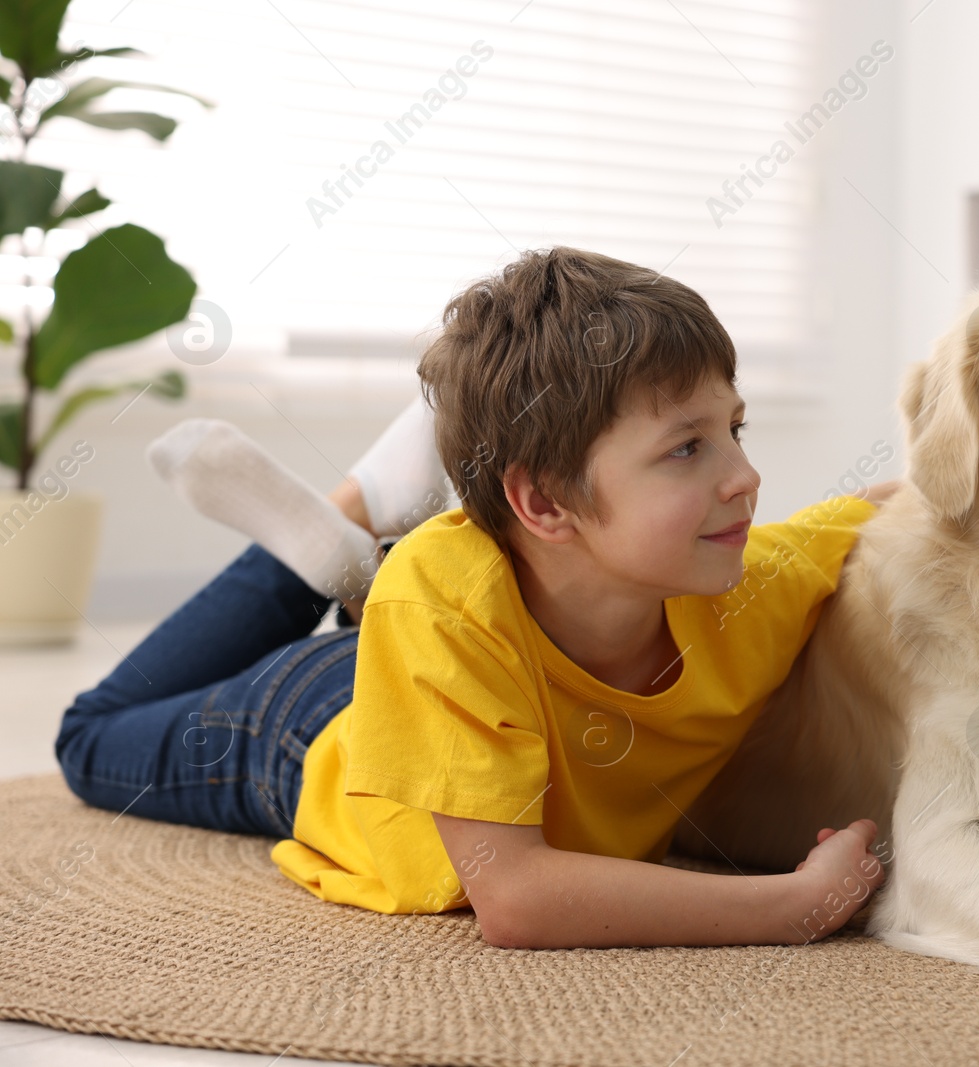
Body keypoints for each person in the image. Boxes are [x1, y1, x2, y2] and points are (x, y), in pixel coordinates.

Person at [55, 246, 899, 949]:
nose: (746, 478)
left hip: (446, 648)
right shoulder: (438, 597)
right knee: (89, 740)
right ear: (542, 502)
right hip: (315, 727)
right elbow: (517, 896)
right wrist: (793, 905)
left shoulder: (757, 579)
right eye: (687, 449)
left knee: (416, 591)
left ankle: (361, 543)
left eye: (734, 431)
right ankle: (336, 530)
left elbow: (888, 504)